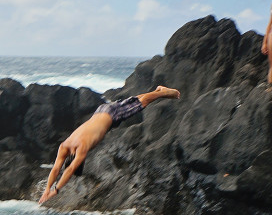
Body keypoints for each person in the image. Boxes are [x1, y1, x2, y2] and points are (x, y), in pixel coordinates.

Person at [38, 86, 181, 204]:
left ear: (75, 158)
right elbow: (56, 168)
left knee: (142, 103)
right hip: (101, 111)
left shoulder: (82, 147)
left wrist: (55, 190)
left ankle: (163, 93)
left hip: (112, 115)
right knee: (135, 101)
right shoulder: (65, 145)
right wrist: (47, 188)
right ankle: (157, 91)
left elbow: (68, 170)